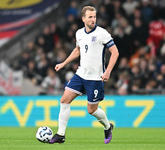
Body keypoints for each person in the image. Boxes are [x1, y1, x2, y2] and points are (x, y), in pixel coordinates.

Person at [49, 6, 119, 144]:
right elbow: (77, 51)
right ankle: (61, 135)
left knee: (92, 110)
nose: (93, 19)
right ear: (83, 19)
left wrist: (108, 71)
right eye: (90, 17)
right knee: (64, 100)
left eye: (94, 17)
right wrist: (63, 63)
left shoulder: (102, 33)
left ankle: (107, 126)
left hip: (95, 78)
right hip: (81, 74)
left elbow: (115, 52)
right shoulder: (79, 33)